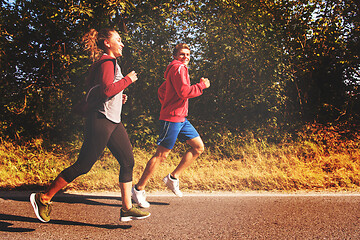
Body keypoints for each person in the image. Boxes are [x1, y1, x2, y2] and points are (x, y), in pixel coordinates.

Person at [30, 28, 150, 222]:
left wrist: (120, 96)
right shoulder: (107, 62)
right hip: (101, 119)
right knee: (84, 165)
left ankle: (127, 208)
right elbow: (105, 91)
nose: (122, 43)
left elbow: (109, 91)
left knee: (128, 162)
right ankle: (43, 198)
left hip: (113, 120)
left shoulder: (110, 62)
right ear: (107, 43)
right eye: (118, 40)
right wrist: (128, 80)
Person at [131, 43, 210, 208]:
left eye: (188, 54)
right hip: (172, 118)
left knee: (198, 147)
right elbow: (184, 92)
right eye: (182, 54)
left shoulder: (175, 69)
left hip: (181, 118)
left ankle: (172, 178)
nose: (185, 57)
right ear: (175, 55)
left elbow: (162, 91)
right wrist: (202, 86)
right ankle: (138, 189)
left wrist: (169, 104)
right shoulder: (179, 68)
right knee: (161, 155)